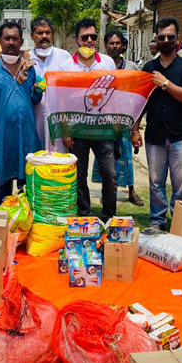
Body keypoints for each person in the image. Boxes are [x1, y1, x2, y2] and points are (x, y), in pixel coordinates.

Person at [133, 17, 182, 230]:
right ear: (156, 39)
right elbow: (141, 101)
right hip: (155, 136)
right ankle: (158, 220)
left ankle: (179, 223)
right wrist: (135, 129)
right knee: (155, 183)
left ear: (178, 39)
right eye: (162, 37)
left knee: (180, 186)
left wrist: (165, 83)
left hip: (180, 136)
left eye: (170, 37)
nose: (166, 40)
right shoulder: (148, 67)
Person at [0, 22, 43, 205]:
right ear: (0, 41)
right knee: (2, 187)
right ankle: (2, 225)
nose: (11, 42)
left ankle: (24, 223)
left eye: (15, 38)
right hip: (1, 136)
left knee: (26, 187)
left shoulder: (29, 68)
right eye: (7, 38)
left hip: (26, 136)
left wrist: (38, 92)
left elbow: (34, 101)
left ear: (21, 41)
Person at [61, 18, 119, 221]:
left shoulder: (107, 63)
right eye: (84, 37)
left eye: (93, 36)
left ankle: (108, 217)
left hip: (103, 130)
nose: (89, 41)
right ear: (77, 40)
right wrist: (66, 131)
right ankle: (84, 215)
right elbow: (62, 100)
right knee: (79, 176)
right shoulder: (66, 65)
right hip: (77, 130)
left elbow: (115, 94)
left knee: (110, 175)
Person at [96, 30, 144, 206]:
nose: (114, 46)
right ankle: (106, 192)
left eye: (117, 43)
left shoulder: (131, 67)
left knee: (126, 156)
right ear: (106, 46)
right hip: (104, 121)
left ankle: (131, 191)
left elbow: (139, 95)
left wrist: (135, 127)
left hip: (125, 119)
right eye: (111, 43)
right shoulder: (100, 66)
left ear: (123, 45)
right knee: (105, 158)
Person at [28, 16, 69, 152]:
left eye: (47, 32)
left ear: (52, 34)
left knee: (59, 163)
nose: (44, 36)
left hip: (60, 122)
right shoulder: (25, 60)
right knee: (37, 160)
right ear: (32, 35)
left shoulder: (64, 57)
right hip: (35, 119)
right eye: (40, 33)